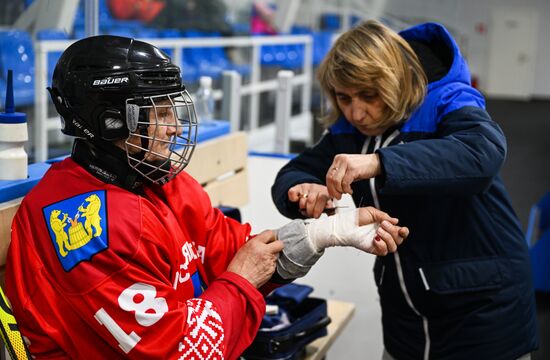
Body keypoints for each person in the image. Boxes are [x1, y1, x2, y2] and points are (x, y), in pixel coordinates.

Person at [5, 35, 408, 359]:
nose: (172, 128)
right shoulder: (83, 227)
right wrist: (240, 278)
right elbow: (182, 350)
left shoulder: (160, 179)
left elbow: (236, 249)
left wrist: (327, 232)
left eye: (172, 111)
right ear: (107, 121)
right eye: (157, 113)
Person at [271, 20, 539, 360]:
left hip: (483, 316)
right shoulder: (350, 127)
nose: (356, 111)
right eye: (344, 97)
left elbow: (481, 152)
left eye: (369, 95)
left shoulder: (449, 100)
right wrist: (304, 189)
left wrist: (378, 162)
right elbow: (294, 172)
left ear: (394, 79)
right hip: (406, 314)